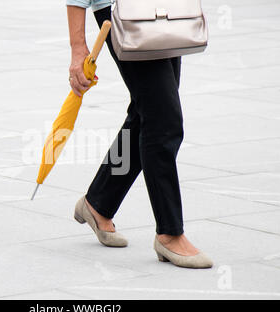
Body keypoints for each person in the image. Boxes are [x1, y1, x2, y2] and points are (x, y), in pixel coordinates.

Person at [67, 0, 213, 268]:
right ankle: (169, 234)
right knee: (163, 121)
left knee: (147, 111)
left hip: (162, 9)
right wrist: (78, 48)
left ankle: (99, 203)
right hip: (125, 14)